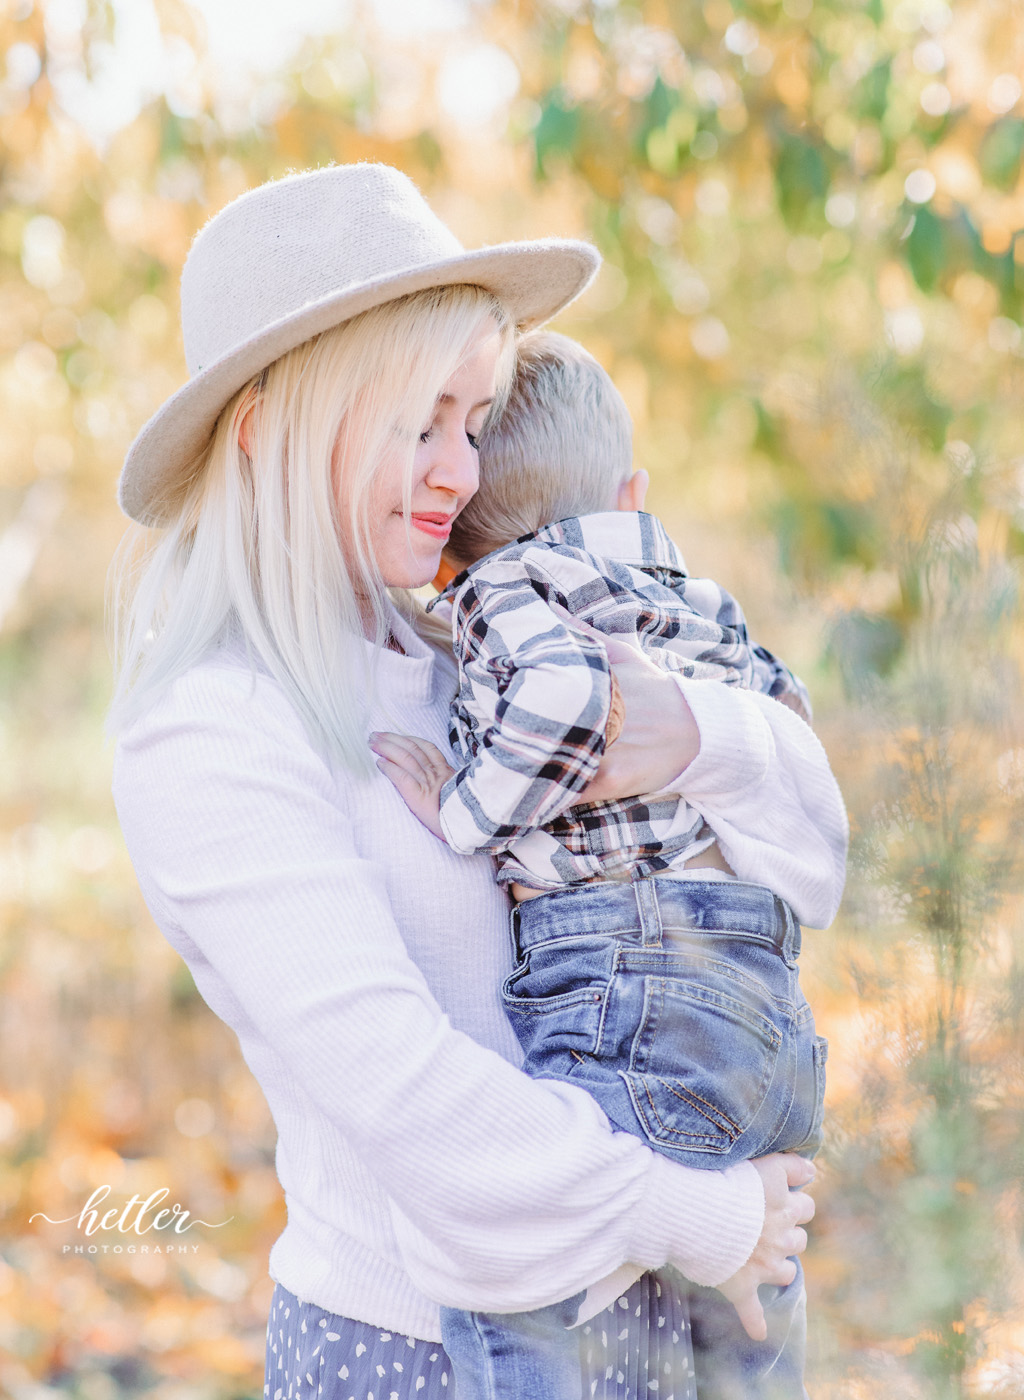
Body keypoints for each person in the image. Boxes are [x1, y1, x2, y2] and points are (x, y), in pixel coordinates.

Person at [109, 162, 824, 1400]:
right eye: (421, 421)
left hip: (665, 1308)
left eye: (478, 421)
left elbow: (807, 862)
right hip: (427, 1349)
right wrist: (708, 1216)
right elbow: (415, 1101)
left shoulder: (476, 649)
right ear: (267, 427)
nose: (462, 472)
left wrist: (705, 735)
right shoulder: (215, 728)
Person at [370, 330, 846, 1400]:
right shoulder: (696, 591)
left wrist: (461, 809)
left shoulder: (503, 587)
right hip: (759, 994)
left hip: (626, 980)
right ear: (630, 489)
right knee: (749, 1294)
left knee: (512, 1271)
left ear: (462, 538)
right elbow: (789, 718)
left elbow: (564, 702)